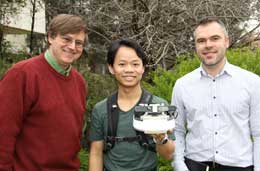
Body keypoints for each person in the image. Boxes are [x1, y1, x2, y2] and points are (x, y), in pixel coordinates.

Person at [0, 14, 88, 171]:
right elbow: (3, 133)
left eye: (79, 43)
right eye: (66, 39)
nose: (73, 47)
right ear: (51, 37)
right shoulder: (22, 74)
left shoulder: (79, 82)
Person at [171, 17, 260, 171]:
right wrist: (179, 166)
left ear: (226, 41)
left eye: (215, 38)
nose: (208, 45)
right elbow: (176, 131)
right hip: (194, 166)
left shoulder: (252, 83)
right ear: (196, 45)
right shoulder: (182, 85)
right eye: (201, 40)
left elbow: (259, 134)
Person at [88, 39, 175, 171]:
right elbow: (96, 153)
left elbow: (168, 155)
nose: (129, 70)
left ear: (143, 68)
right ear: (111, 68)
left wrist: (161, 138)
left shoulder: (158, 105)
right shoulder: (101, 109)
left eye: (135, 64)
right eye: (122, 64)